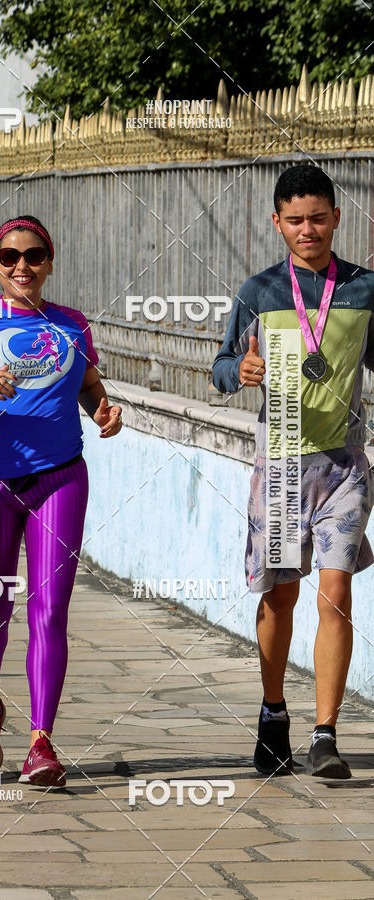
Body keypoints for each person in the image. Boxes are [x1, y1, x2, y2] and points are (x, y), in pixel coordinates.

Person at [0, 215, 122, 788]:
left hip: (59, 479)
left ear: (50, 262)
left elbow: (87, 387)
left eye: (34, 256)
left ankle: (41, 743)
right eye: (9, 257)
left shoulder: (72, 326)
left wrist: (104, 411)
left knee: (50, 609)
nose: (22, 267)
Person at [212, 164, 374, 779]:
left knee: (337, 591)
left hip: (345, 466)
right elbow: (221, 366)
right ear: (277, 223)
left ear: (337, 217)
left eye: (319, 217)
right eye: (296, 220)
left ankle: (326, 734)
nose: (309, 229)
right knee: (281, 598)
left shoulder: (363, 288)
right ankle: (273, 712)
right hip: (279, 466)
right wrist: (241, 374)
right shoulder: (261, 291)